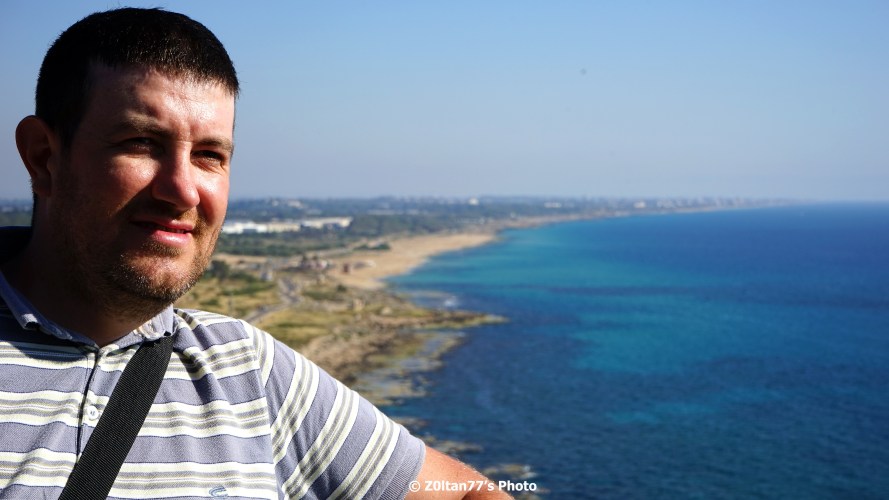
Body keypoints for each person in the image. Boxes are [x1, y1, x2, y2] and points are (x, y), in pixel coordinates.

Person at [0, 8, 508, 499]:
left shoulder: (249, 368)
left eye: (209, 155)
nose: (183, 190)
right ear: (43, 158)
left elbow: (465, 492)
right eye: (141, 142)